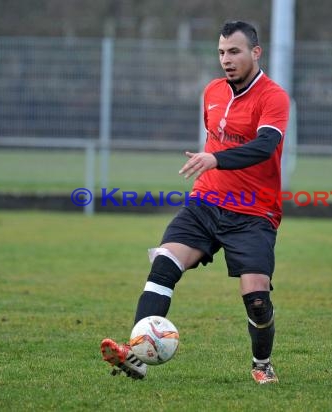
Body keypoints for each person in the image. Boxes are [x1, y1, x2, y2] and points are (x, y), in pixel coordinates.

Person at [100, 20, 290, 385]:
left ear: (255, 52)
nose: (226, 60)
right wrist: (212, 164)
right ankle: (136, 354)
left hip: (253, 212)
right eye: (221, 52)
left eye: (234, 51)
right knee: (164, 265)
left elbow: (266, 146)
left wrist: (216, 158)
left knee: (256, 301)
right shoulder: (212, 92)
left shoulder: (273, 96)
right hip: (206, 200)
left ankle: (262, 364)